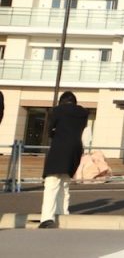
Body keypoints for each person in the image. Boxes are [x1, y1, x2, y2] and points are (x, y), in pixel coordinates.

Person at [38, 91, 88, 228]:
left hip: (59, 149)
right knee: (64, 184)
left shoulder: (57, 111)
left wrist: (55, 133)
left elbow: (49, 130)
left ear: (61, 101)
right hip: (75, 151)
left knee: (51, 183)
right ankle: (62, 214)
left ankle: (47, 218)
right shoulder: (83, 113)